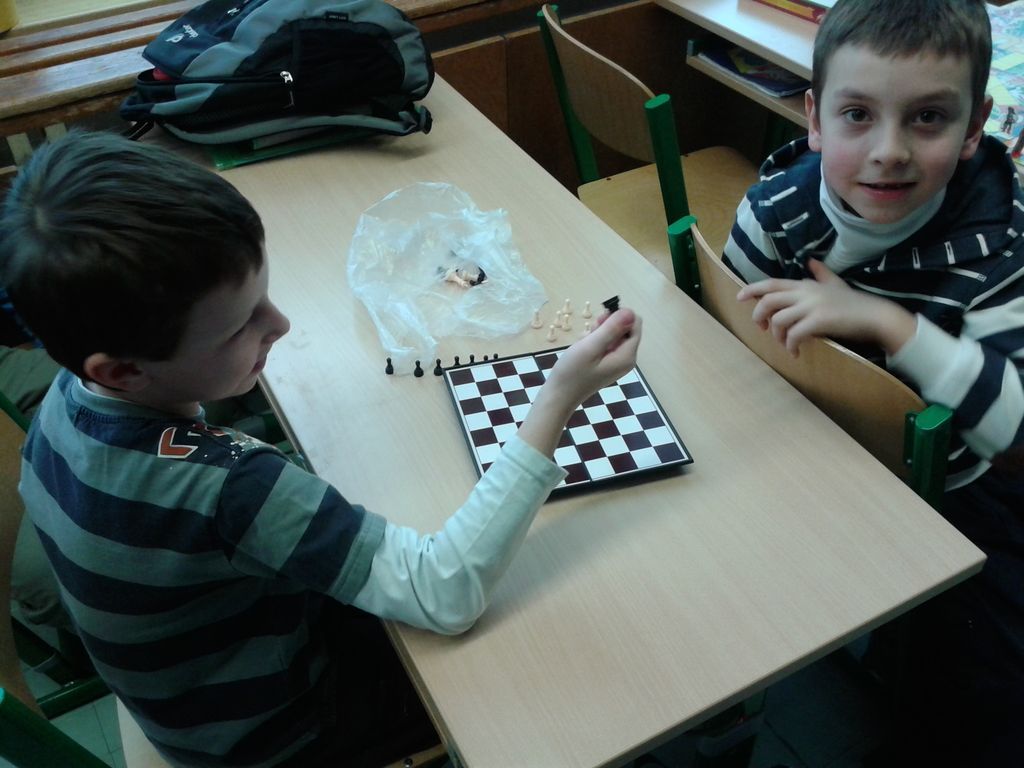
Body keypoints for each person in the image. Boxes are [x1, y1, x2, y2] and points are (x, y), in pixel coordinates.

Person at [0, 130, 643, 768]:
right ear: (122, 371)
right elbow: (444, 596)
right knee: (546, 650)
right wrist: (559, 397)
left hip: (188, 694)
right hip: (277, 737)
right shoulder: (231, 486)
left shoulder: (66, 398)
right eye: (240, 325)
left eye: (263, 296)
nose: (280, 325)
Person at [723, 0, 1024, 764]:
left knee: (987, 688)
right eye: (858, 115)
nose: (889, 152)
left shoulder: (997, 244)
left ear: (973, 128)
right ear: (815, 119)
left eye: (928, 118)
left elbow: (1015, 434)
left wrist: (889, 325)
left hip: (959, 490)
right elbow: (726, 335)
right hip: (814, 444)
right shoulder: (777, 210)